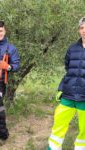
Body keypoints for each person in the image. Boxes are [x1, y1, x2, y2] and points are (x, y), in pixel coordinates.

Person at [47, 17, 85, 150]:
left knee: (84, 129)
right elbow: (68, 69)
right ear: (79, 31)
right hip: (68, 94)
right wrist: (62, 87)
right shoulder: (72, 48)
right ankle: (53, 147)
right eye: (82, 28)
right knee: (59, 123)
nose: (84, 30)